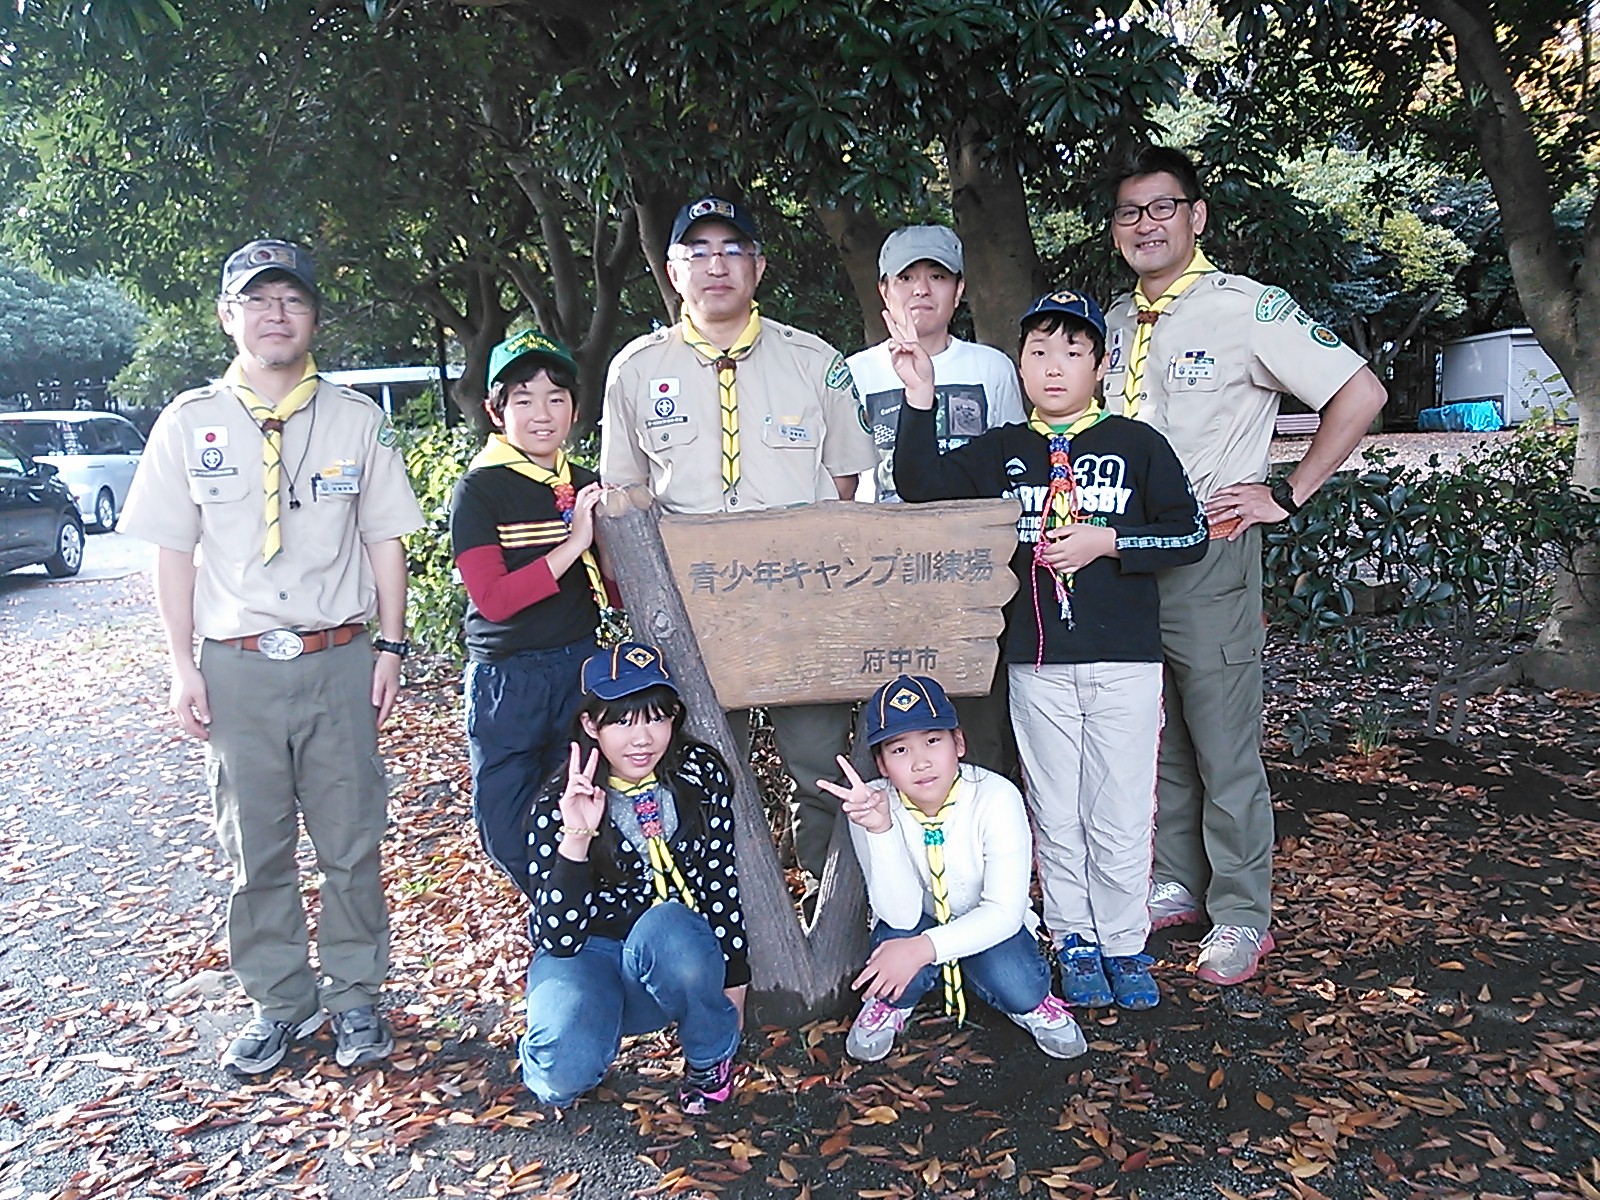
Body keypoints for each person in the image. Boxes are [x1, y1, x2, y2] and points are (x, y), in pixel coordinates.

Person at [119, 239, 424, 1075]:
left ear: (314, 316)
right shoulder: (190, 423)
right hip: (237, 666)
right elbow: (173, 554)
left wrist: (390, 646)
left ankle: (357, 996)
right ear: (228, 316)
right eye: (257, 301)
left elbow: (383, 539)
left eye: (291, 300)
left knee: (351, 839)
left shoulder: (357, 419)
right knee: (252, 846)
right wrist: (182, 666)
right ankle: (279, 1001)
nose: (275, 315)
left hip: (338, 658)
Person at [1101, 146, 1388, 985]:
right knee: (1160, 731)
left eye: (1162, 207)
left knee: (1223, 736)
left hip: (1210, 551)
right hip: (1123, 557)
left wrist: (1287, 494)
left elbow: (1360, 393)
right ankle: (1177, 879)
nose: (1146, 224)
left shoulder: (1250, 309)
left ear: (1197, 216)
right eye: (1129, 212)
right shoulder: (1114, 323)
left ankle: (1241, 913)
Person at [889, 290, 1208, 1011]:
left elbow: (1188, 534)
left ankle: (1125, 943)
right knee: (1056, 810)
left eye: (1072, 351)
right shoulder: (1005, 450)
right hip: (1037, 661)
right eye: (1038, 352)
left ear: (1102, 362)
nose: (1054, 367)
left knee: (1122, 808)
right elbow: (921, 487)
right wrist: (919, 397)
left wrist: (1110, 541)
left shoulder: (1137, 444)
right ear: (1021, 365)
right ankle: (1074, 939)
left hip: (1125, 658)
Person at [599, 195, 879, 879]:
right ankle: (718, 919)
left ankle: (830, 923)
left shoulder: (815, 362)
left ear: (759, 266)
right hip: (690, 609)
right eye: (698, 252)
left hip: (799, 606)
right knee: (689, 763)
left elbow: (845, 479)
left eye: (732, 250)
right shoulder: (636, 370)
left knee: (819, 767)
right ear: (672, 270)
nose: (716, 265)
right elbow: (623, 497)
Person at [518, 643, 747, 1113]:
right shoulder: (557, 803)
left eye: (655, 718)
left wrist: (731, 1002)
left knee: (668, 924)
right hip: (589, 956)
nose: (641, 738)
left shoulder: (700, 776)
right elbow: (557, 939)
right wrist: (577, 835)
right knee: (558, 1079)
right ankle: (589, 1034)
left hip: (672, 953)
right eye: (622, 721)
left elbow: (722, 883)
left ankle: (707, 1064)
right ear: (590, 725)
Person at [820, 674, 1086, 1062]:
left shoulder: (995, 797)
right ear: (881, 764)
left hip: (987, 921)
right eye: (899, 751)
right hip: (917, 921)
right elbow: (900, 914)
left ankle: (1028, 1003)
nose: (921, 761)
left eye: (932, 741)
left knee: (1020, 986)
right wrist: (880, 829)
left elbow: (1004, 912)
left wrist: (925, 950)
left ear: (958, 743)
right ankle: (895, 1005)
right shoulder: (872, 805)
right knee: (897, 961)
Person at [846, 224, 1027, 776]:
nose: (921, 289)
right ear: (885, 291)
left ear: (960, 288)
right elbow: (844, 480)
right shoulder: (856, 372)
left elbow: (1012, 469)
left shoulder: (990, 368)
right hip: (881, 566)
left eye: (937, 276)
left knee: (976, 714)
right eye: (907, 278)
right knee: (889, 713)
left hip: (970, 568)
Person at [450, 328, 621, 900]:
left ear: (575, 408)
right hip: (509, 676)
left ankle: (579, 923)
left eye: (555, 397)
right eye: (522, 398)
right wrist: (573, 545)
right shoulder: (479, 490)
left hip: (580, 666)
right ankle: (552, 911)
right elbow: (492, 600)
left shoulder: (586, 484)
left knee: (586, 801)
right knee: (505, 822)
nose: (541, 413)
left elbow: (616, 586)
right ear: (497, 411)